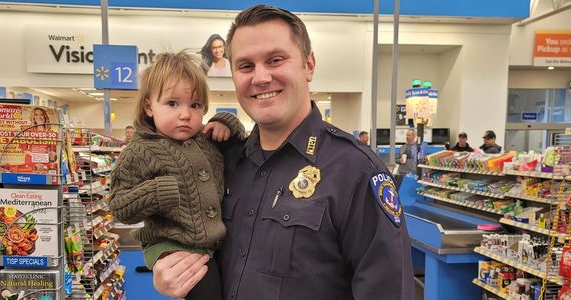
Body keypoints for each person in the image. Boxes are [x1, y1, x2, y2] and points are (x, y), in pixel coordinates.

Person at [152, 5, 414, 300]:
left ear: (309, 65)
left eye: (275, 60)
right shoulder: (223, 162)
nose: (261, 78)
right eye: (246, 66)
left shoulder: (356, 171)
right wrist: (170, 272)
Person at [109, 51, 244, 300]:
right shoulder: (141, 150)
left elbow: (241, 147)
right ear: (149, 106)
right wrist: (156, 192)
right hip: (171, 245)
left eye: (195, 105)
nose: (185, 114)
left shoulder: (205, 141)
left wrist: (227, 123)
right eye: (172, 104)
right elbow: (119, 206)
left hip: (215, 244)